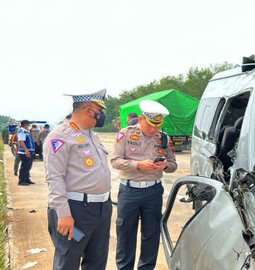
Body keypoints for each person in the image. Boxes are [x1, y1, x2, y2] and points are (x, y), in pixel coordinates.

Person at [44, 89, 112, 270]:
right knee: (68, 261)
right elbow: (54, 177)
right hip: (76, 209)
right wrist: (64, 214)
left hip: (101, 208)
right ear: (90, 110)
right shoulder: (60, 136)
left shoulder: (92, 135)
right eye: (100, 111)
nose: (102, 115)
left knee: (97, 261)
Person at [111, 100, 177, 270]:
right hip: (129, 190)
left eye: (157, 126)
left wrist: (165, 166)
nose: (154, 130)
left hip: (153, 192)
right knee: (126, 234)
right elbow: (115, 161)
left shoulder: (163, 138)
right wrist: (138, 165)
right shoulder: (125, 134)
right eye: (150, 126)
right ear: (141, 119)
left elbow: (173, 164)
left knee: (151, 234)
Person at [17, 120, 36, 185]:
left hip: (29, 151)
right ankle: (22, 181)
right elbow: (21, 141)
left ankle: (27, 179)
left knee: (28, 166)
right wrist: (26, 150)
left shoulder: (26, 132)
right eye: (28, 125)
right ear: (25, 124)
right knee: (24, 167)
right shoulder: (22, 131)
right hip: (24, 152)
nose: (29, 126)